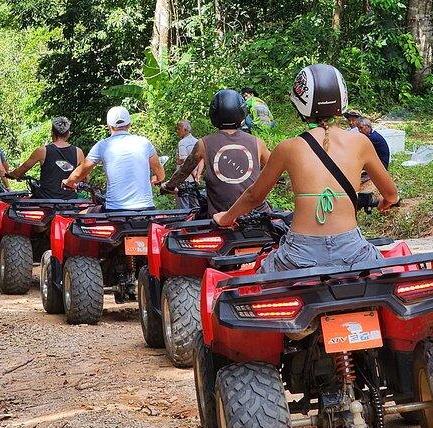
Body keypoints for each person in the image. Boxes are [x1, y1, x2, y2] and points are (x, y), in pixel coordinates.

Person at [213, 64, 398, 273]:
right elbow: (391, 194)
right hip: (353, 251)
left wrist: (226, 217)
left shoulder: (287, 148)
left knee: (256, 289)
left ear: (300, 104)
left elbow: (253, 197)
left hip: (299, 253)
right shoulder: (361, 143)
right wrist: (385, 203)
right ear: (342, 100)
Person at [161, 89, 271, 216]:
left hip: (219, 216)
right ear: (242, 111)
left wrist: (168, 186)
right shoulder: (258, 143)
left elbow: (183, 171)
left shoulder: (203, 143)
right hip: (256, 214)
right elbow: (275, 169)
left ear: (214, 114)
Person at [62, 106, 165, 211]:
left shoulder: (103, 145)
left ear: (109, 126)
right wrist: (157, 179)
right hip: (146, 210)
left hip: (116, 210)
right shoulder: (144, 143)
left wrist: (69, 182)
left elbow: (81, 172)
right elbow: (158, 170)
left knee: (79, 218)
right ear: (129, 125)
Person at [7, 117, 86, 199]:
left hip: (45, 199)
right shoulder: (78, 152)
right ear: (68, 134)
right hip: (69, 199)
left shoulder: (42, 151)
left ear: (52, 133)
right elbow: (85, 176)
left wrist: (12, 174)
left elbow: (23, 168)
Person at [174, 119, 201, 209]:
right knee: (195, 207)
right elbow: (202, 159)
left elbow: (185, 160)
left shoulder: (182, 143)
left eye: (179, 129)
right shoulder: (197, 141)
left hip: (183, 180)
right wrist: (197, 175)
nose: (177, 131)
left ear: (185, 129)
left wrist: (193, 172)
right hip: (194, 181)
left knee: (183, 208)